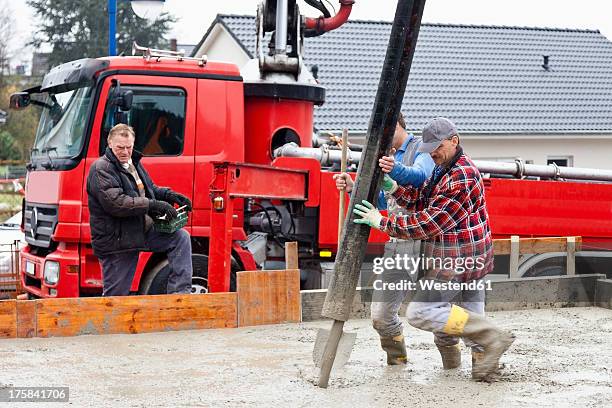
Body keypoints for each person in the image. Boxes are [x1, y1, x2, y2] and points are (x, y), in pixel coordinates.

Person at [353, 117, 514, 382]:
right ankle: (487, 369)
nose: (433, 153)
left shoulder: (461, 175)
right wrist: (394, 189)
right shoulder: (444, 167)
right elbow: (423, 199)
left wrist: (381, 221)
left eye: (437, 147)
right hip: (472, 254)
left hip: (457, 257)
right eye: (429, 149)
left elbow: (429, 223)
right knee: (471, 315)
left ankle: (491, 335)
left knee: (422, 312)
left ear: (454, 140)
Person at [334, 113, 435, 365]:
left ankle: (452, 361)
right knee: (380, 314)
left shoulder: (421, 149)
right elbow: (383, 202)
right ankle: (397, 361)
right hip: (398, 247)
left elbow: (420, 176)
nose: (381, 140)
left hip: (429, 246)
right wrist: (351, 188)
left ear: (398, 126)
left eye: (384, 133)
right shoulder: (386, 155)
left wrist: (395, 168)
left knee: (436, 316)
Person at [87, 123, 193, 296]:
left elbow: (148, 188)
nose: (125, 152)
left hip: (139, 231)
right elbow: (117, 203)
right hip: (117, 241)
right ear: (110, 143)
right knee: (115, 297)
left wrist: (169, 195)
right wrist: (153, 205)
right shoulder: (101, 168)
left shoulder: (132, 163)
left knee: (180, 237)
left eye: (129, 147)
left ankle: (180, 296)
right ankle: (109, 322)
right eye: (120, 147)